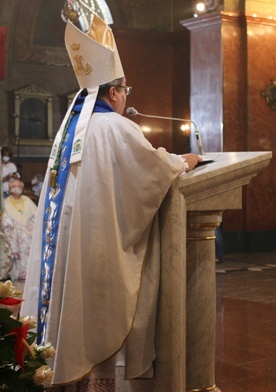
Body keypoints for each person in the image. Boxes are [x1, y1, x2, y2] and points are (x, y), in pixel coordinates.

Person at [22, 16, 202, 389]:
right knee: (94, 306)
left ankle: (59, 371)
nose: (126, 97)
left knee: (71, 306)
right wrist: (183, 161)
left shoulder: (67, 131)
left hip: (69, 238)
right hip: (95, 240)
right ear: (115, 92)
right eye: (126, 90)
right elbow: (151, 172)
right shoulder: (116, 128)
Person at [2, 179, 36, 280]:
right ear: (9, 189)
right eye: (14, 186)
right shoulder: (5, 202)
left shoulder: (27, 200)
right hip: (13, 233)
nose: (16, 188)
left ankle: (30, 272)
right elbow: (5, 221)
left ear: (22, 188)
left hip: (28, 231)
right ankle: (16, 272)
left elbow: (36, 214)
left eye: (19, 186)